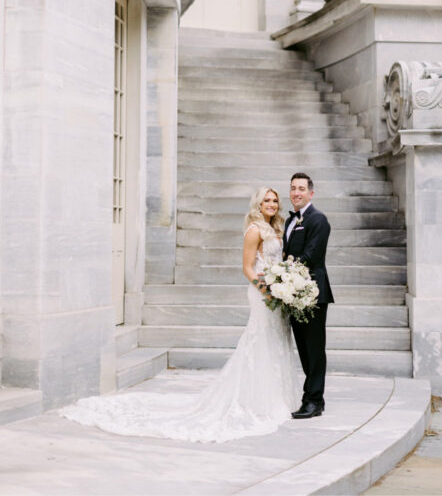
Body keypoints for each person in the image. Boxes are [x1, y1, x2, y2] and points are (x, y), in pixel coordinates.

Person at [59, 187, 301, 442]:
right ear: (258, 204)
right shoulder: (254, 230)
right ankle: (257, 400)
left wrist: (284, 283)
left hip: (278, 292)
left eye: (275, 200)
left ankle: (278, 396)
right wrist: (267, 290)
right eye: (267, 200)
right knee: (260, 339)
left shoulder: (276, 228)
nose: (272, 204)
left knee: (277, 339)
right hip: (262, 294)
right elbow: (247, 268)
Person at [283, 172, 333, 419]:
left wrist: (282, 273)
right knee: (303, 349)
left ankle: (314, 400)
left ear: (311, 193)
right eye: (293, 188)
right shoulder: (289, 221)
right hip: (293, 294)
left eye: (301, 188)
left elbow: (311, 255)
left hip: (313, 293)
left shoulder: (319, 220)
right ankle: (311, 397)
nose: (296, 192)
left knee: (314, 349)